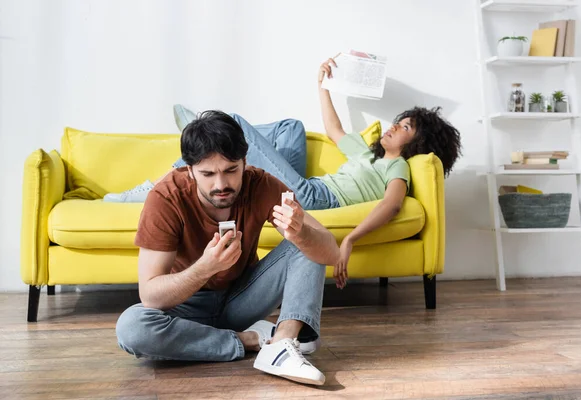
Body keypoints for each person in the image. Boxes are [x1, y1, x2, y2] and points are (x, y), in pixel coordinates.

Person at [106, 55, 462, 286]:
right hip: (309, 185)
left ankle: (189, 152)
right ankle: (199, 151)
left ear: (418, 143)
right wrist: (322, 86)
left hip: (316, 199)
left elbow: (392, 205)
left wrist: (350, 238)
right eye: (397, 121)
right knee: (292, 126)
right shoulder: (367, 153)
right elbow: (334, 130)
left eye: (405, 127)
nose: (393, 126)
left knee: (237, 125)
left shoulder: (397, 166)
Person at [115, 110, 340, 386]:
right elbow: (150, 295)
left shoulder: (261, 184)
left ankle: (282, 343)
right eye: (208, 174)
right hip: (184, 308)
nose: (221, 184)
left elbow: (331, 252)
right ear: (189, 170)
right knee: (131, 328)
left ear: (245, 162)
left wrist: (301, 232)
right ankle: (249, 340)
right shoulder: (165, 198)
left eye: (231, 170)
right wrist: (205, 268)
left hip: (241, 299)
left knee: (306, 243)